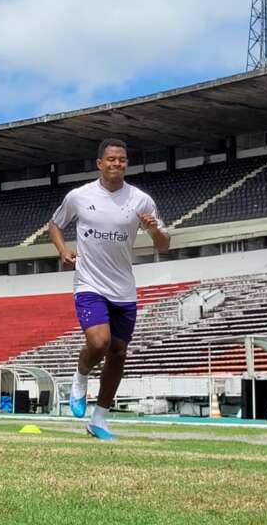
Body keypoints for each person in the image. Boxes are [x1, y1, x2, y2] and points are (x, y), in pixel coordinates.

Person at [50, 138, 169, 440]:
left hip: (124, 288)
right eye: (111, 159)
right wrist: (63, 250)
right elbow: (54, 224)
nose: (117, 163)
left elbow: (164, 244)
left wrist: (154, 229)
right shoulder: (79, 196)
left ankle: (99, 420)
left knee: (118, 352)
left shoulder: (141, 200)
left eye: (122, 159)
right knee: (99, 342)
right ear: (100, 164)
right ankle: (79, 378)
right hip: (89, 283)